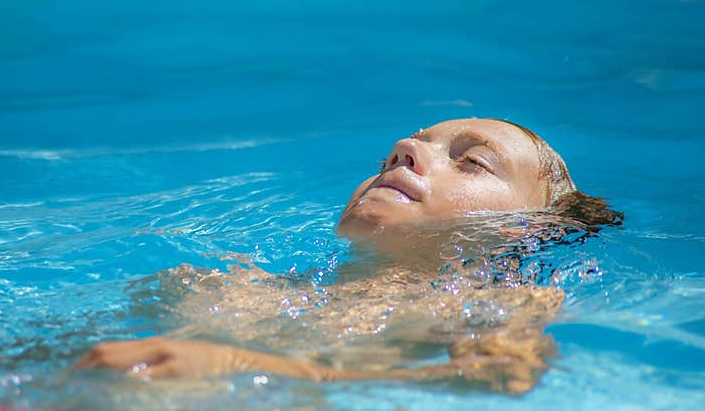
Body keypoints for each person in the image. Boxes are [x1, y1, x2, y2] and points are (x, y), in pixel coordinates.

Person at [76, 118, 621, 394]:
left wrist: (249, 367)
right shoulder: (235, 287)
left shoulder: (506, 300)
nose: (405, 152)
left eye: (473, 162)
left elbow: (498, 381)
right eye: (393, 154)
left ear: (530, 227)